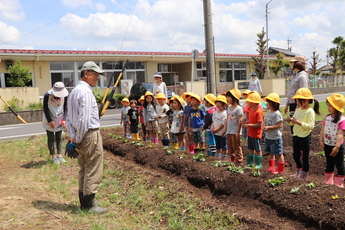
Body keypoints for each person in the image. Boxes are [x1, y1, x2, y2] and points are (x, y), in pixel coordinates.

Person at [66, 61, 107, 213]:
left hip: (79, 135)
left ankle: (84, 203)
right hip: (89, 134)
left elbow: (69, 118)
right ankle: (89, 205)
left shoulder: (74, 91)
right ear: (86, 73)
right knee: (93, 168)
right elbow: (83, 119)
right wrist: (77, 137)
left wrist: (72, 136)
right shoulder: (86, 92)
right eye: (95, 74)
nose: (97, 78)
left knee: (83, 168)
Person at [286, 88, 320, 179]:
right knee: (295, 155)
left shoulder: (310, 112)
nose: (297, 102)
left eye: (298, 100)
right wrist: (289, 121)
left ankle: (304, 174)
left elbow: (311, 126)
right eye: (296, 100)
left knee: (304, 157)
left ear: (306, 100)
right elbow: (292, 122)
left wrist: (298, 122)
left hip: (305, 137)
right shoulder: (298, 110)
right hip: (296, 135)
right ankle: (298, 170)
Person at [319, 93, 345, 187]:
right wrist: (321, 140)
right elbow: (323, 128)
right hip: (327, 144)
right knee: (329, 162)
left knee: (339, 164)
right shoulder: (327, 118)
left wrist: (337, 146)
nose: (328, 108)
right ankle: (328, 181)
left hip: (337, 146)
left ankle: (339, 183)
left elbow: (340, 134)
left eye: (330, 106)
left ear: (336, 107)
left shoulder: (341, 120)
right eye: (328, 105)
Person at [42, 81, 69, 165]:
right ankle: (53, 156)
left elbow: (66, 107)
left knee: (59, 137)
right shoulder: (47, 95)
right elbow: (45, 108)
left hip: (59, 118)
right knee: (50, 138)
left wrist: (64, 119)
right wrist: (50, 121)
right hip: (49, 118)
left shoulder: (65, 95)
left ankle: (59, 155)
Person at [262, 93, 285, 174]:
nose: (267, 104)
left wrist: (269, 127)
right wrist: (264, 126)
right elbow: (264, 121)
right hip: (268, 137)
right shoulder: (269, 112)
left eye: (268, 103)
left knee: (279, 153)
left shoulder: (277, 114)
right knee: (271, 152)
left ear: (274, 104)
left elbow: (279, 125)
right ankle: (271, 167)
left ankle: (280, 170)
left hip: (275, 138)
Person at [284, 55, 309, 129]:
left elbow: (304, 92)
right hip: (292, 103)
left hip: (298, 105)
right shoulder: (295, 76)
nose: (292, 64)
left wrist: (299, 106)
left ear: (298, 64)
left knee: (297, 125)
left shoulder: (302, 77)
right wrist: (287, 104)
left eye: (293, 62)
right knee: (292, 125)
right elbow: (290, 91)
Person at [242, 92, 264, 169]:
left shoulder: (258, 111)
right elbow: (251, 121)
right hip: (250, 133)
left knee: (257, 149)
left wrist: (248, 125)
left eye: (249, 101)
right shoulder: (251, 110)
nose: (247, 103)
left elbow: (259, 124)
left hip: (256, 134)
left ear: (253, 103)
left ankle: (259, 163)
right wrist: (246, 123)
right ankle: (250, 162)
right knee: (250, 148)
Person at [225, 88, 243, 165]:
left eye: (229, 97)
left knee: (237, 147)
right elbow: (228, 118)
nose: (227, 99)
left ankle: (239, 162)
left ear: (235, 98)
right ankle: (232, 161)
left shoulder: (238, 109)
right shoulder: (228, 107)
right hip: (229, 130)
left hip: (235, 131)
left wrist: (238, 131)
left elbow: (240, 121)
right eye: (227, 97)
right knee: (230, 147)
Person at [211, 95, 228, 159]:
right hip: (216, 133)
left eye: (219, 103)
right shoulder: (215, 112)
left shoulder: (225, 113)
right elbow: (213, 121)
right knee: (217, 146)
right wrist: (212, 128)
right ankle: (217, 158)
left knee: (224, 146)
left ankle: (224, 158)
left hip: (222, 133)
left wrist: (216, 130)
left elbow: (223, 124)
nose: (218, 104)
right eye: (216, 103)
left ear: (223, 104)